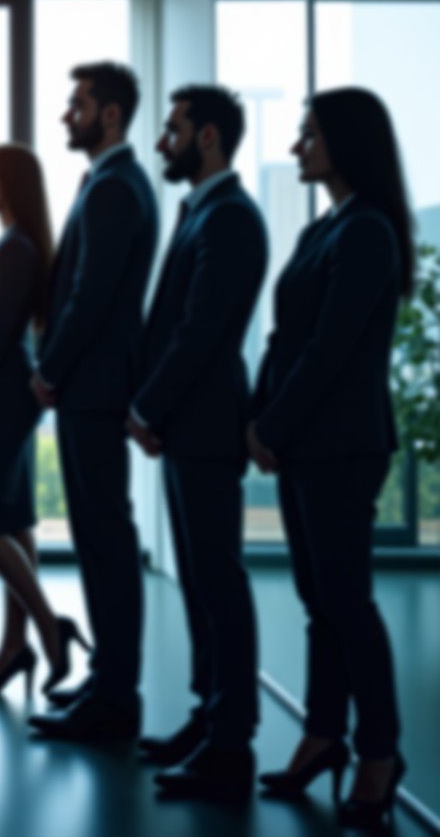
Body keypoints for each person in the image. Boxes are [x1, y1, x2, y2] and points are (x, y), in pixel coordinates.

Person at [249, 88, 412, 829]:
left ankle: (379, 752)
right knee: (322, 603)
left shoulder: (368, 232)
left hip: (342, 447)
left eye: (308, 134)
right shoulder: (327, 230)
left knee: (348, 603)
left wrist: (273, 426)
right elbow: (284, 339)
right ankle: (323, 735)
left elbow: (330, 351)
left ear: (346, 141)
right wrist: (262, 418)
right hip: (308, 441)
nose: (296, 147)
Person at [127, 86, 266, 801]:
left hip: (204, 427)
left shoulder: (231, 217)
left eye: (172, 130)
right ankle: (209, 720)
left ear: (206, 138)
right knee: (202, 585)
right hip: (191, 427)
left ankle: (230, 743)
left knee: (219, 585)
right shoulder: (207, 212)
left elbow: (202, 331)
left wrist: (146, 406)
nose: (161, 144)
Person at [28, 62, 158, 742]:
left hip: (94, 388)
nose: (65, 115)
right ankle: (109, 684)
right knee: (101, 539)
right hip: (95, 387)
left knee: (105, 542)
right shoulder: (112, 183)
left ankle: (114, 699)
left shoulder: (113, 188)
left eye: (76, 104)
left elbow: (90, 294)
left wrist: (47, 371)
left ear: (110, 115)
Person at [0, 143, 88, 699]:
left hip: (2, 399)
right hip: (12, 397)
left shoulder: (15, 250)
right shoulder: (17, 245)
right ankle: (14, 648)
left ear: (10, 183)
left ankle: (52, 629)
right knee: (15, 518)